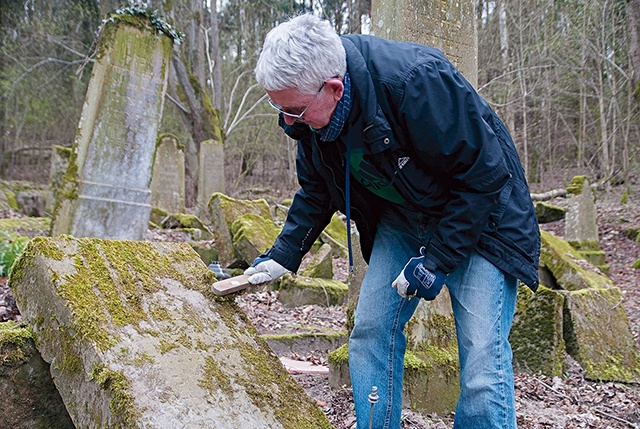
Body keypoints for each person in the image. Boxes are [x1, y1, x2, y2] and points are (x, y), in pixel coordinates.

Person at [244, 13, 540, 429]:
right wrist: (283, 255)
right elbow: (317, 190)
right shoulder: (311, 122)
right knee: (370, 332)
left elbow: (486, 175)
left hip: (484, 219)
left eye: (293, 109)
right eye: (278, 106)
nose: (286, 121)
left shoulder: (416, 81)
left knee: (481, 360)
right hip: (405, 218)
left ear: (333, 88)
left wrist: (436, 261)